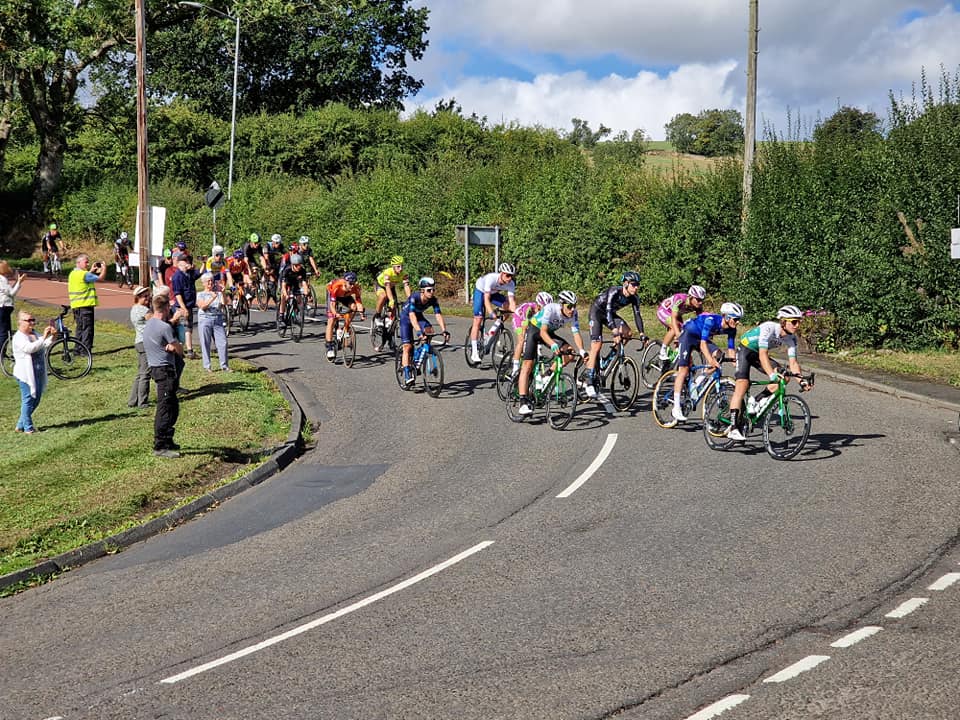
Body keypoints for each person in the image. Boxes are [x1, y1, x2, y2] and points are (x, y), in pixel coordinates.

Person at [726, 304, 813, 441]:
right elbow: (763, 355)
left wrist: (801, 380)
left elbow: (793, 363)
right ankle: (733, 427)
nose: (797, 325)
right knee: (742, 384)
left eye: (799, 322)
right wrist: (772, 375)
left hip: (759, 354)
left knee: (784, 378)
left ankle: (756, 401)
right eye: (794, 322)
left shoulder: (791, 339)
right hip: (745, 350)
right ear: (783, 322)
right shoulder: (769, 327)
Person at [666, 301, 743, 426]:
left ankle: (700, 379)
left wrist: (738, 365)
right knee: (684, 370)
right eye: (736, 319)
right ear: (727, 317)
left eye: (739, 319)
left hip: (702, 338)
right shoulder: (711, 321)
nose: (738, 322)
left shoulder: (732, 329)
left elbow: (730, 350)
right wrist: (711, 361)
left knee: (719, 355)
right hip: (688, 335)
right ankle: (676, 407)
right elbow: (703, 345)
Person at [516, 290, 586, 416]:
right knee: (527, 365)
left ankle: (547, 374)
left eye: (574, 306)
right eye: (569, 306)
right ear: (561, 304)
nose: (572, 309)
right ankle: (522, 401)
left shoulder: (573, 314)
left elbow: (576, 333)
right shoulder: (550, 309)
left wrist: (582, 351)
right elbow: (542, 332)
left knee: (569, 353)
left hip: (548, 333)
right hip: (535, 331)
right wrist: (553, 345)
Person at [584, 271, 647, 398]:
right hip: (597, 313)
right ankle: (589, 380)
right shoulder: (614, 291)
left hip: (610, 315)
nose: (636, 287)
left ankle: (610, 357)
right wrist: (614, 331)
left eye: (638, 285)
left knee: (628, 333)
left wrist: (642, 334)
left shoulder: (634, 298)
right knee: (596, 344)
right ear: (625, 284)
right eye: (634, 284)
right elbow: (607, 311)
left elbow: (637, 315)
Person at [143, 295, 184, 458]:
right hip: (164, 370)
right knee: (165, 408)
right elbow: (179, 349)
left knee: (173, 406)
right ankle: (160, 445)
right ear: (166, 308)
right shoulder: (164, 327)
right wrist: (174, 348)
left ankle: (168, 439)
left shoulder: (150, 323)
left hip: (156, 367)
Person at [399, 277, 450, 386]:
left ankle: (418, 357)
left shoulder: (433, 300)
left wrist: (444, 330)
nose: (432, 292)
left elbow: (438, 315)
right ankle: (407, 373)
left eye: (433, 290)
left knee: (429, 330)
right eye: (429, 290)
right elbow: (412, 316)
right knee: (407, 346)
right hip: (406, 317)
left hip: (418, 316)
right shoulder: (414, 298)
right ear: (422, 290)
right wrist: (418, 332)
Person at [12, 311, 56, 433]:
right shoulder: (18, 337)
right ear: (20, 322)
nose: (32, 323)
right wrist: (44, 336)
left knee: (36, 400)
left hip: (38, 371)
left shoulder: (34, 334)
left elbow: (44, 344)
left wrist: (53, 336)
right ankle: (28, 428)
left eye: (33, 320)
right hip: (25, 374)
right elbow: (30, 348)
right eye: (29, 320)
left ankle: (20, 425)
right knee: (28, 399)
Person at [469, 262, 518, 364]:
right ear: (501, 273)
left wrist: (516, 314)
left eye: (511, 276)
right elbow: (486, 299)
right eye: (507, 275)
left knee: (507, 307)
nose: (509, 278)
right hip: (481, 291)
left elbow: (512, 303)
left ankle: (493, 329)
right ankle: (474, 353)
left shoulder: (511, 284)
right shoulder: (491, 278)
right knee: (478, 319)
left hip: (494, 293)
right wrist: (491, 312)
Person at [506, 291, 553, 379]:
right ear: (538, 305)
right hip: (519, 319)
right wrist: (525, 340)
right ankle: (515, 368)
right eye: (544, 308)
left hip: (531, 322)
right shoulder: (529, 309)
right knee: (521, 341)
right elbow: (524, 327)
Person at [67, 253, 107, 352]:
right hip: (85, 306)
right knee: (87, 329)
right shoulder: (84, 274)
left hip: (76, 306)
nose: (88, 264)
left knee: (80, 328)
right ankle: (85, 351)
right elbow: (101, 278)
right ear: (78, 262)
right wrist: (104, 268)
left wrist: (91, 271)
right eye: (86, 262)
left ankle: (77, 349)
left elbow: (84, 279)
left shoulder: (73, 273)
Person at [656, 284, 706, 360]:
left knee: (684, 331)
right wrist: (678, 335)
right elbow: (673, 318)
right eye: (698, 300)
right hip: (665, 311)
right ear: (691, 297)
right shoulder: (680, 299)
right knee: (675, 327)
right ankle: (663, 350)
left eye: (702, 300)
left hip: (677, 314)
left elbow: (701, 321)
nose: (700, 303)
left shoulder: (698, 307)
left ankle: (674, 357)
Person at [325, 271, 365, 360]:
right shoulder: (337, 286)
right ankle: (329, 347)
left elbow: (358, 301)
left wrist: (361, 312)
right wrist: (335, 313)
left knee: (354, 307)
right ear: (345, 282)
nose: (352, 286)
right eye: (350, 284)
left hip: (346, 296)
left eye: (353, 284)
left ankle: (345, 327)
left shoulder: (355, 287)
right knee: (331, 319)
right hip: (333, 294)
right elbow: (332, 305)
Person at [196, 272, 230, 372]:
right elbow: (202, 306)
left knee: (222, 342)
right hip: (205, 320)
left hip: (217, 320)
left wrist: (223, 292)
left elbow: (224, 303)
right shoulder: (200, 294)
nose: (210, 283)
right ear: (203, 283)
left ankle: (224, 365)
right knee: (205, 343)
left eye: (212, 280)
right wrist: (212, 298)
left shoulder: (218, 293)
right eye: (208, 281)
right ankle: (207, 366)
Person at [170, 254, 201, 359]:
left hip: (189, 305)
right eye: (184, 261)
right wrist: (183, 308)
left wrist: (203, 263)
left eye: (188, 261)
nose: (187, 263)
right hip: (182, 306)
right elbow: (177, 294)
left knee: (188, 328)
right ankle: (186, 350)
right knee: (185, 328)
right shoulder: (177, 276)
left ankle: (187, 349)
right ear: (179, 263)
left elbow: (199, 273)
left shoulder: (189, 273)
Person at [128, 285, 153, 408]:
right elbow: (155, 322)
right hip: (145, 342)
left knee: (140, 373)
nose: (148, 298)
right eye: (145, 296)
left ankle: (133, 400)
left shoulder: (134, 309)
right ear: (138, 297)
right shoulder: (143, 310)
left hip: (138, 341)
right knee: (145, 374)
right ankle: (142, 402)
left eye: (149, 296)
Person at [374, 255, 411, 327]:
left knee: (394, 304)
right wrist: (391, 300)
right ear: (393, 266)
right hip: (381, 285)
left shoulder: (404, 274)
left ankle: (389, 320)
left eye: (402, 266)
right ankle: (377, 316)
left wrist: (410, 299)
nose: (401, 269)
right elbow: (387, 287)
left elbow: (406, 286)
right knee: (383, 296)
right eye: (398, 266)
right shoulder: (388, 273)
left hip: (391, 287)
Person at [0, 260, 25, 351]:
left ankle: (3, 351)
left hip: (4, 307)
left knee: (6, 331)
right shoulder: (1, 280)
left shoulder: (3, 279)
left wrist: (17, 281)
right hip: (3, 307)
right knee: (4, 332)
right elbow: (12, 292)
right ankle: (1, 352)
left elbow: (9, 290)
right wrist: (19, 282)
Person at [279, 253, 310, 323]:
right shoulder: (287, 270)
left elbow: (304, 283)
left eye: (300, 265)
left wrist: (306, 292)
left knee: (299, 298)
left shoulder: (302, 270)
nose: (299, 267)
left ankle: (294, 314)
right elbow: (283, 286)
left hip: (294, 282)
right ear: (293, 265)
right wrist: (286, 295)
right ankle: (281, 315)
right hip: (286, 282)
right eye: (297, 265)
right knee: (283, 296)